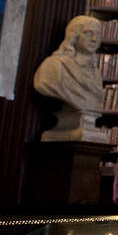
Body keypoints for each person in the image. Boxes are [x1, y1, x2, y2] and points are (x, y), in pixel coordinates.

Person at [31, 14, 107, 142]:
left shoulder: (96, 75)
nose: (94, 39)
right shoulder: (55, 66)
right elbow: (43, 84)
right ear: (74, 35)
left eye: (98, 34)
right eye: (88, 33)